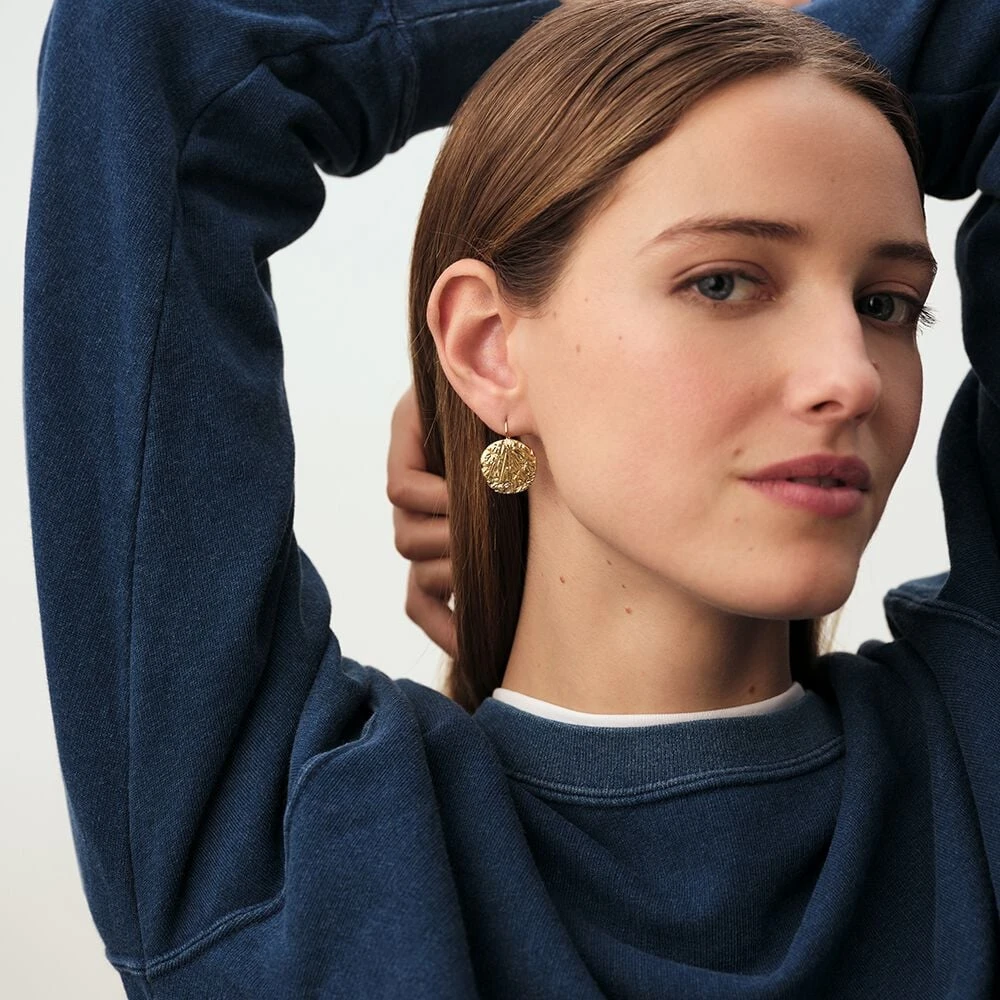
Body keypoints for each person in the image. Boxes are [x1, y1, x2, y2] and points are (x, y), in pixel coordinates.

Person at [22, 1, 998, 998]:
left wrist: (761, 62)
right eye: (723, 283)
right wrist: (694, 58)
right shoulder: (286, 850)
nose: (852, 376)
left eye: (885, 304)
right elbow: (157, 39)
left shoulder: (977, 757)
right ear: (488, 346)